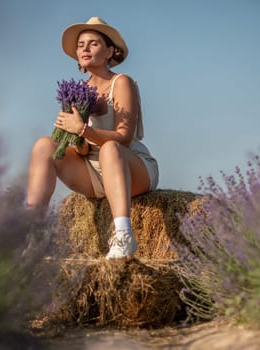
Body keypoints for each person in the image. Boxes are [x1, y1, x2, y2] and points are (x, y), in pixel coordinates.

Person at [26, 17, 159, 259]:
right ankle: (33, 237)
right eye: (80, 45)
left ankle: (123, 235)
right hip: (93, 171)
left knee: (109, 148)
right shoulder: (76, 90)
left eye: (93, 43)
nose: (84, 49)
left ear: (110, 51)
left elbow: (124, 138)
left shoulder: (122, 83)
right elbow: (83, 151)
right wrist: (72, 135)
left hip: (130, 166)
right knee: (44, 145)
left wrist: (83, 129)